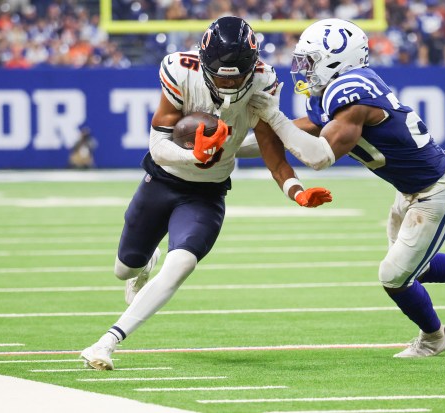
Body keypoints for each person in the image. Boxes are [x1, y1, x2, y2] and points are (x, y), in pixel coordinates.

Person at [249, 18, 445, 358]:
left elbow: (318, 157)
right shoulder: (341, 88)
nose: (304, 69)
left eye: (310, 60)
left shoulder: (351, 93)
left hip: (439, 187)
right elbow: (303, 130)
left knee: (394, 276)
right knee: (415, 269)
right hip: (410, 189)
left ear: (337, 59)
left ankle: (435, 338)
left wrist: (272, 118)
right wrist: (240, 144)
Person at [80, 16, 332, 370]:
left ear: (251, 67)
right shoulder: (180, 70)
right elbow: (156, 145)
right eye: (221, 74)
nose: (228, 82)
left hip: (207, 192)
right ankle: (144, 264)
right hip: (163, 179)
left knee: (181, 262)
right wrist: (193, 155)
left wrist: (295, 190)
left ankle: (106, 343)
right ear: (203, 62)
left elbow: (272, 152)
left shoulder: (264, 83)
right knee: (124, 268)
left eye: (236, 75)